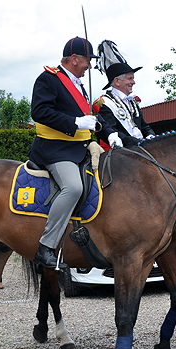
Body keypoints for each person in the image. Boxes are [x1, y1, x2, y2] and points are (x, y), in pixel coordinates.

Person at [29, 37, 123, 269]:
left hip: (79, 149)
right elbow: (39, 112)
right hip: (55, 150)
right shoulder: (48, 79)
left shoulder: (78, 85)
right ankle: (46, 246)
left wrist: (110, 132)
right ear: (74, 59)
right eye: (87, 61)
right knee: (74, 187)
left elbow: (91, 118)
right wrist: (74, 122)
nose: (89, 66)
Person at [92, 40, 155, 149]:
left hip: (142, 149)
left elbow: (144, 127)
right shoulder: (104, 104)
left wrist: (150, 136)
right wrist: (138, 143)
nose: (133, 82)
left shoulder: (132, 102)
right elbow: (111, 131)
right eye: (130, 78)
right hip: (121, 153)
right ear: (117, 81)